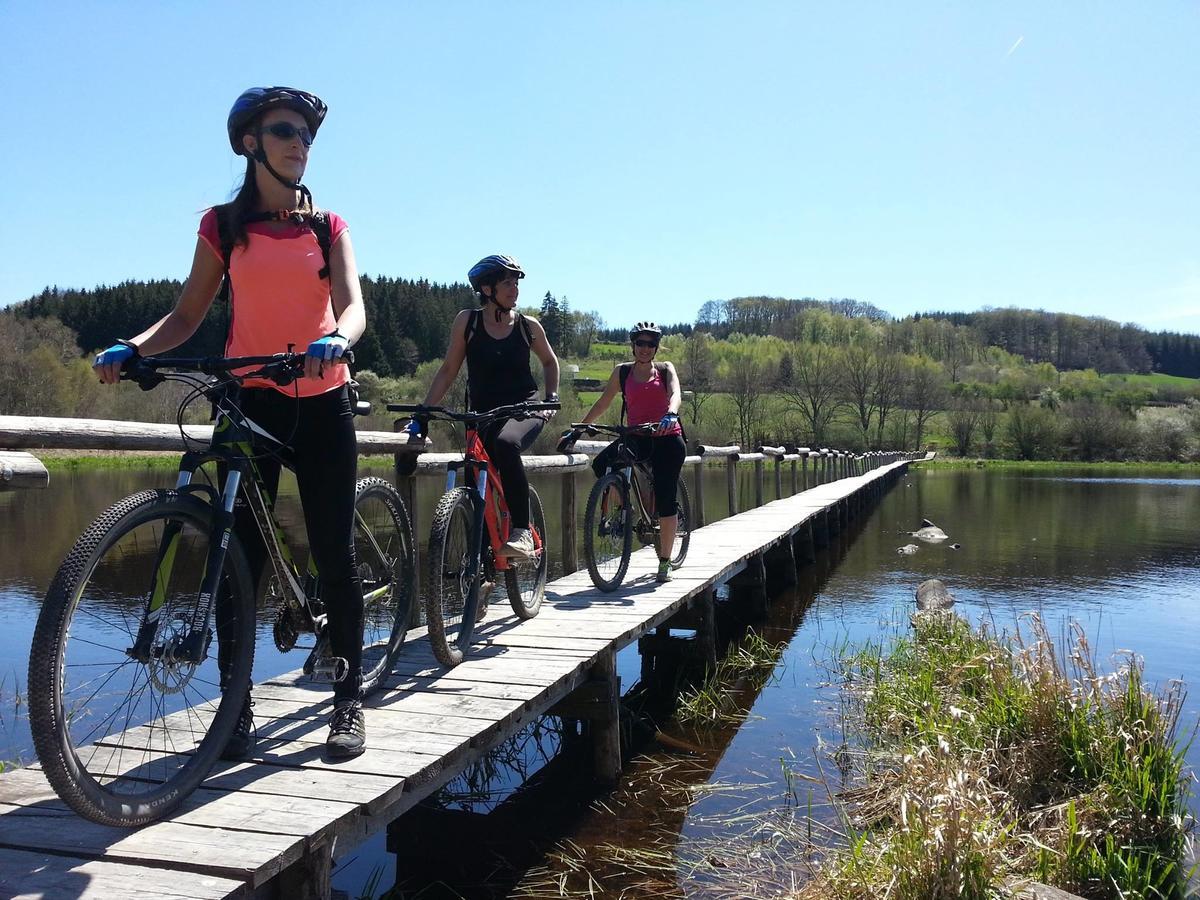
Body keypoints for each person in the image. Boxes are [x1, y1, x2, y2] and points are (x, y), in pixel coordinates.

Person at [93, 86, 370, 759]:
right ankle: (234, 708)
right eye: (284, 131)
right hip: (248, 401)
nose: (299, 144)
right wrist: (134, 346)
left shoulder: (327, 226)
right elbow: (188, 314)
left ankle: (348, 700)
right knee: (235, 555)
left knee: (334, 551)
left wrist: (338, 338)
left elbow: (354, 306)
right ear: (250, 143)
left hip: (323, 399)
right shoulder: (222, 225)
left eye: (306, 135)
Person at [411, 255, 560, 559]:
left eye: (516, 283)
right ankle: (480, 571)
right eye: (507, 282)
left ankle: (521, 531)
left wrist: (551, 397)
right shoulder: (468, 322)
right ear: (487, 288)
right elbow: (449, 369)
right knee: (474, 479)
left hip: (525, 408)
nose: (514, 289)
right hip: (482, 412)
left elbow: (549, 361)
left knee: (506, 444)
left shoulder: (527, 326)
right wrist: (425, 409)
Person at [573, 322, 684, 583]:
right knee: (602, 464)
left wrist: (671, 413)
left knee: (667, 499)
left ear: (656, 348)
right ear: (632, 345)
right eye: (640, 343)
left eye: (650, 344)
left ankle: (665, 562)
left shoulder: (665, 369)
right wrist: (579, 428)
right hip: (637, 436)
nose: (645, 348)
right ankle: (624, 504)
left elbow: (676, 393)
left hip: (667, 438)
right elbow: (603, 402)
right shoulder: (622, 372)